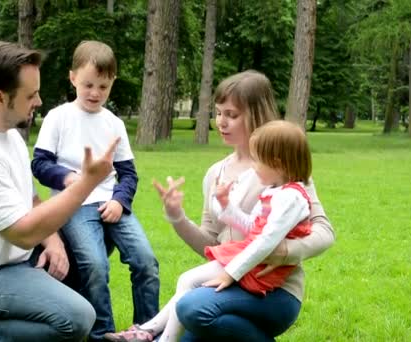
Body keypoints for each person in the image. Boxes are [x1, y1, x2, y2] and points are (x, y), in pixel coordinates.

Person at [108, 70, 335, 342]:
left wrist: (282, 251)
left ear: (256, 114)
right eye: (218, 113)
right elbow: (212, 244)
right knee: (187, 319)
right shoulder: (216, 173)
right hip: (229, 283)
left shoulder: (282, 171)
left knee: (191, 307)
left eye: (231, 114)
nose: (221, 122)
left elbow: (324, 232)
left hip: (274, 290)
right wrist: (177, 216)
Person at [0, 40, 120, 341]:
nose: (39, 101)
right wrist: (86, 184)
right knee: (76, 319)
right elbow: (24, 232)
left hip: (13, 259)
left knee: (90, 254)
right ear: (0, 98)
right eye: (31, 95)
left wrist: (54, 242)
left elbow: (29, 198)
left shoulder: (9, 134)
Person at [31, 40, 159, 342]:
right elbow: (39, 164)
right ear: (72, 77)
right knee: (95, 265)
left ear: (112, 83)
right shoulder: (58, 117)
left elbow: (128, 174)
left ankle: (148, 330)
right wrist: (70, 179)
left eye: (103, 86)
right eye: (88, 84)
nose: (94, 93)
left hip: (110, 206)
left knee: (146, 261)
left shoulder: (114, 123)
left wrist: (120, 200)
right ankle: (103, 334)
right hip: (74, 205)